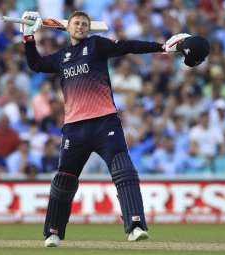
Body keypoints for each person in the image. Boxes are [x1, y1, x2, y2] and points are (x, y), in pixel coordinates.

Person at [20, 10, 209, 247]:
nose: (80, 26)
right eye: (76, 23)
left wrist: (161, 47)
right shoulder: (62, 57)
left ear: (89, 28)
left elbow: (128, 46)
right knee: (64, 181)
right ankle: (53, 233)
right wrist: (28, 37)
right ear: (68, 28)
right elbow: (36, 64)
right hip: (74, 129)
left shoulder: (97, 45)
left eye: (84, 24)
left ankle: (136, 225)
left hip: (104, 123)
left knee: (124, 172)